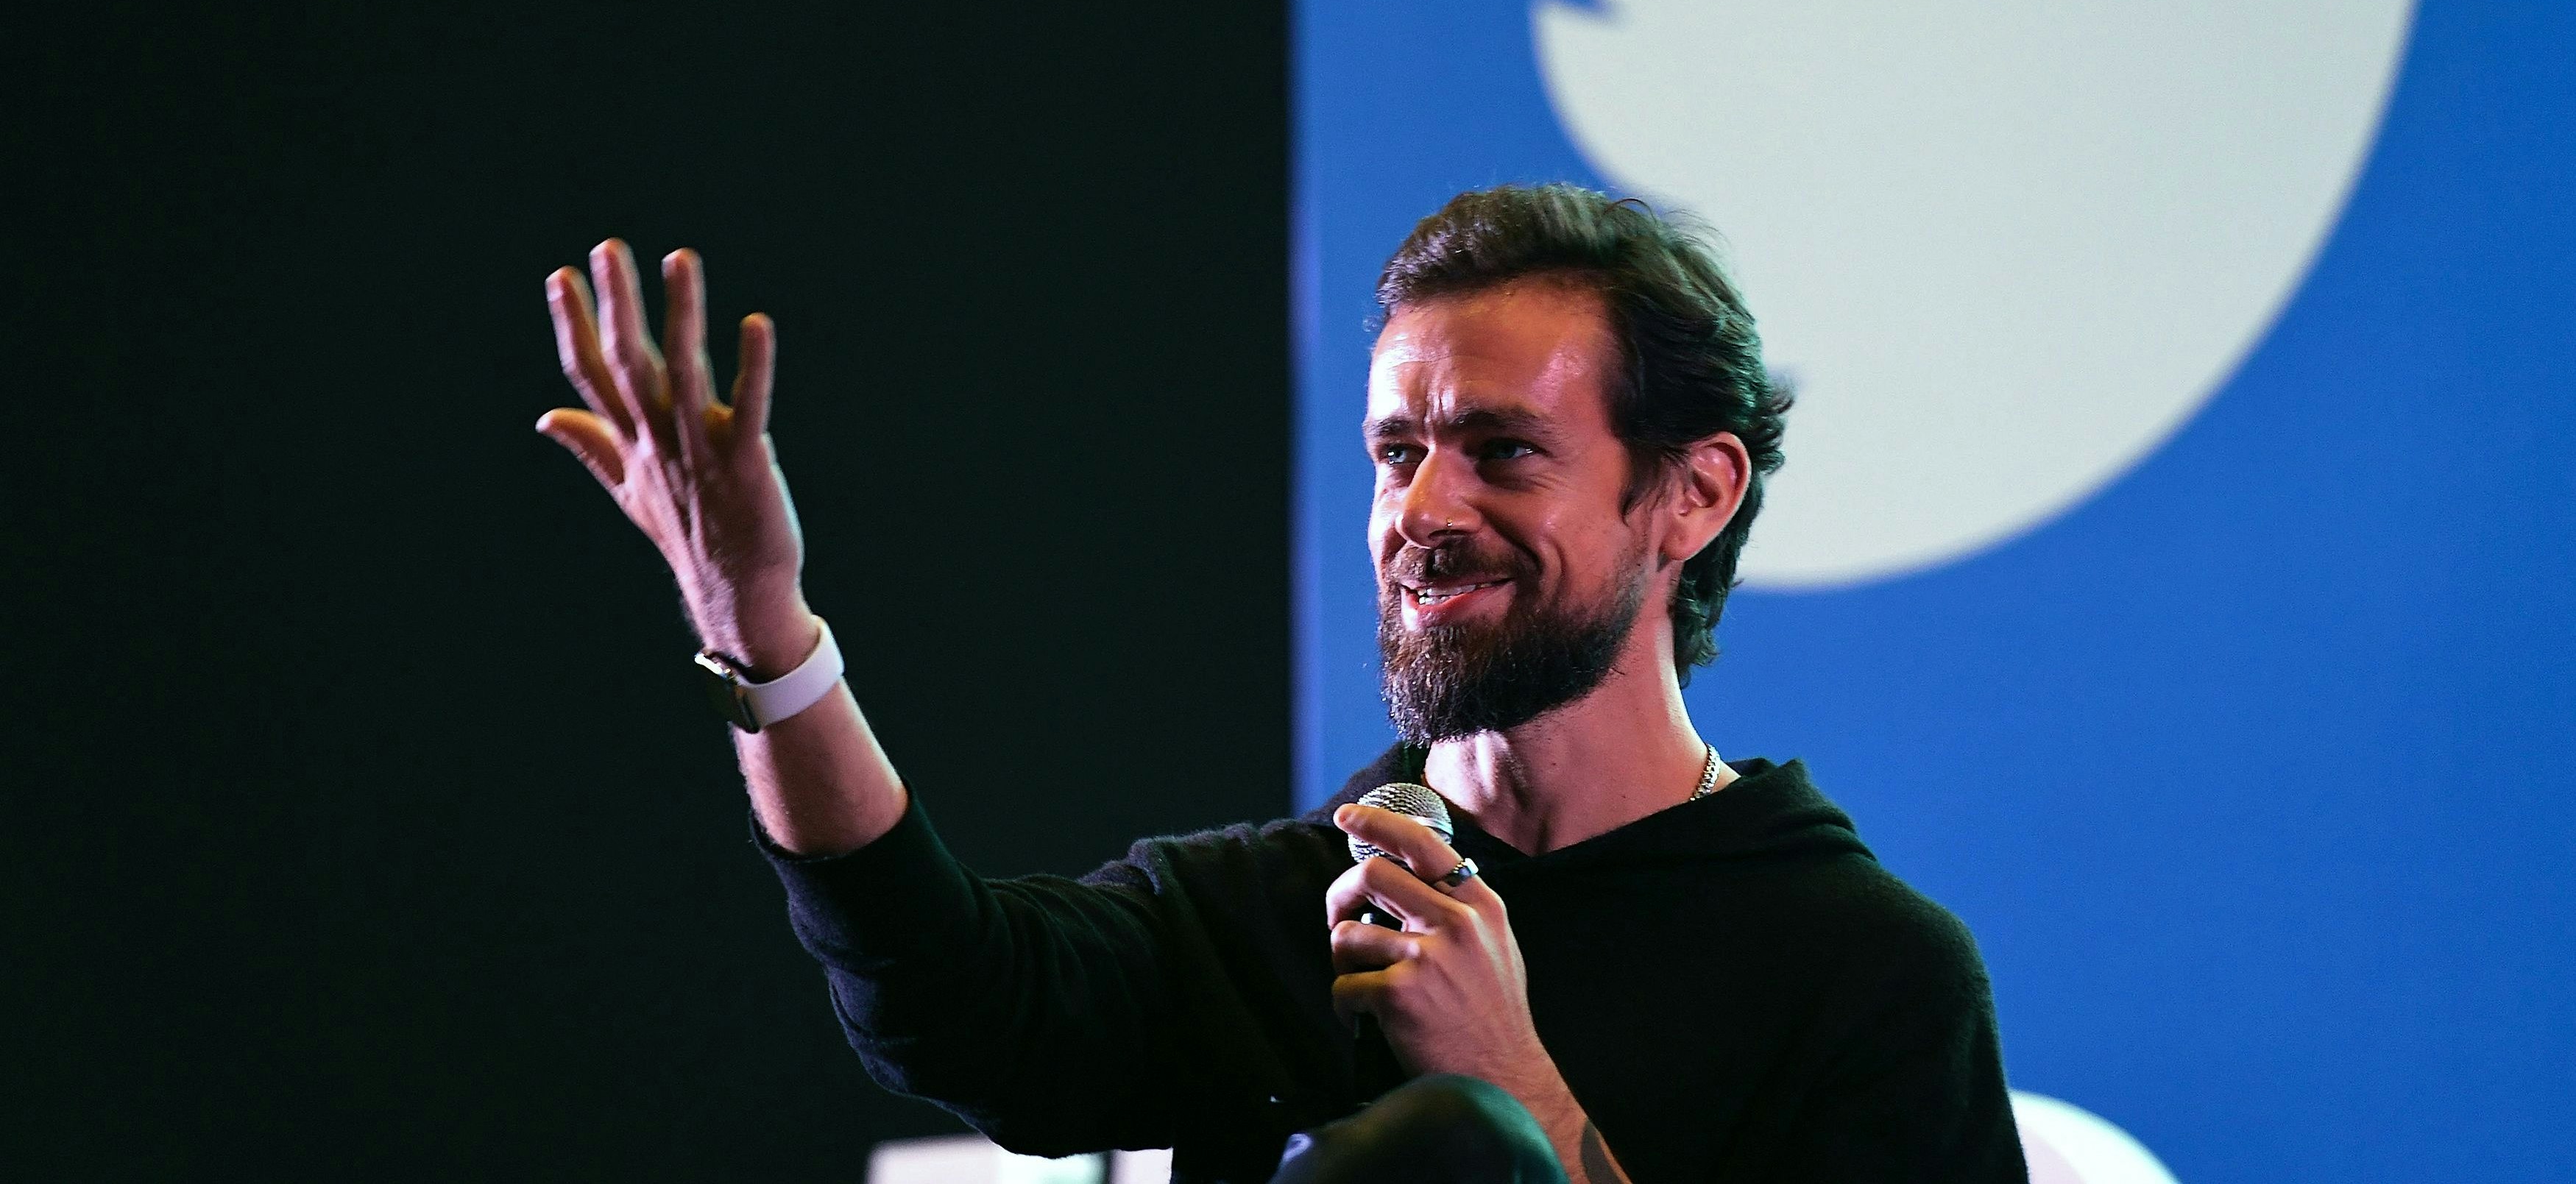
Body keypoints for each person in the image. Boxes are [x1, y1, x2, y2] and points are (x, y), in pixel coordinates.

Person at [537, 185, 2028, 1183]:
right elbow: (946, 990)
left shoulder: (1866, 976)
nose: (1422, 510)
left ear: (1689, 495)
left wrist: (1524, 1097)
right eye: (1397, 451)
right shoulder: (1269, 909)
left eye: (1503, 449)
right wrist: (766, 632)